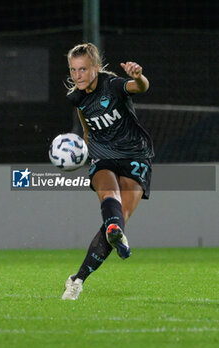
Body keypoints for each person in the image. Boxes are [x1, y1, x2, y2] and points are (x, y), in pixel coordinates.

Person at [62, 43, 154, 300]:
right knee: (109, 195)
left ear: (95, 69)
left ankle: (78, 276)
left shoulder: (112, 85)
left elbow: (139, 87)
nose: (77, 75)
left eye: (82, 69)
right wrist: (81, 153)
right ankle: (78, 282)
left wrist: (138, 76)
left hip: (136, 153)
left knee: (119, 217)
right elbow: (87, 129)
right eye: (73, 69)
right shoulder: (77, 98)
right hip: (104, 154)